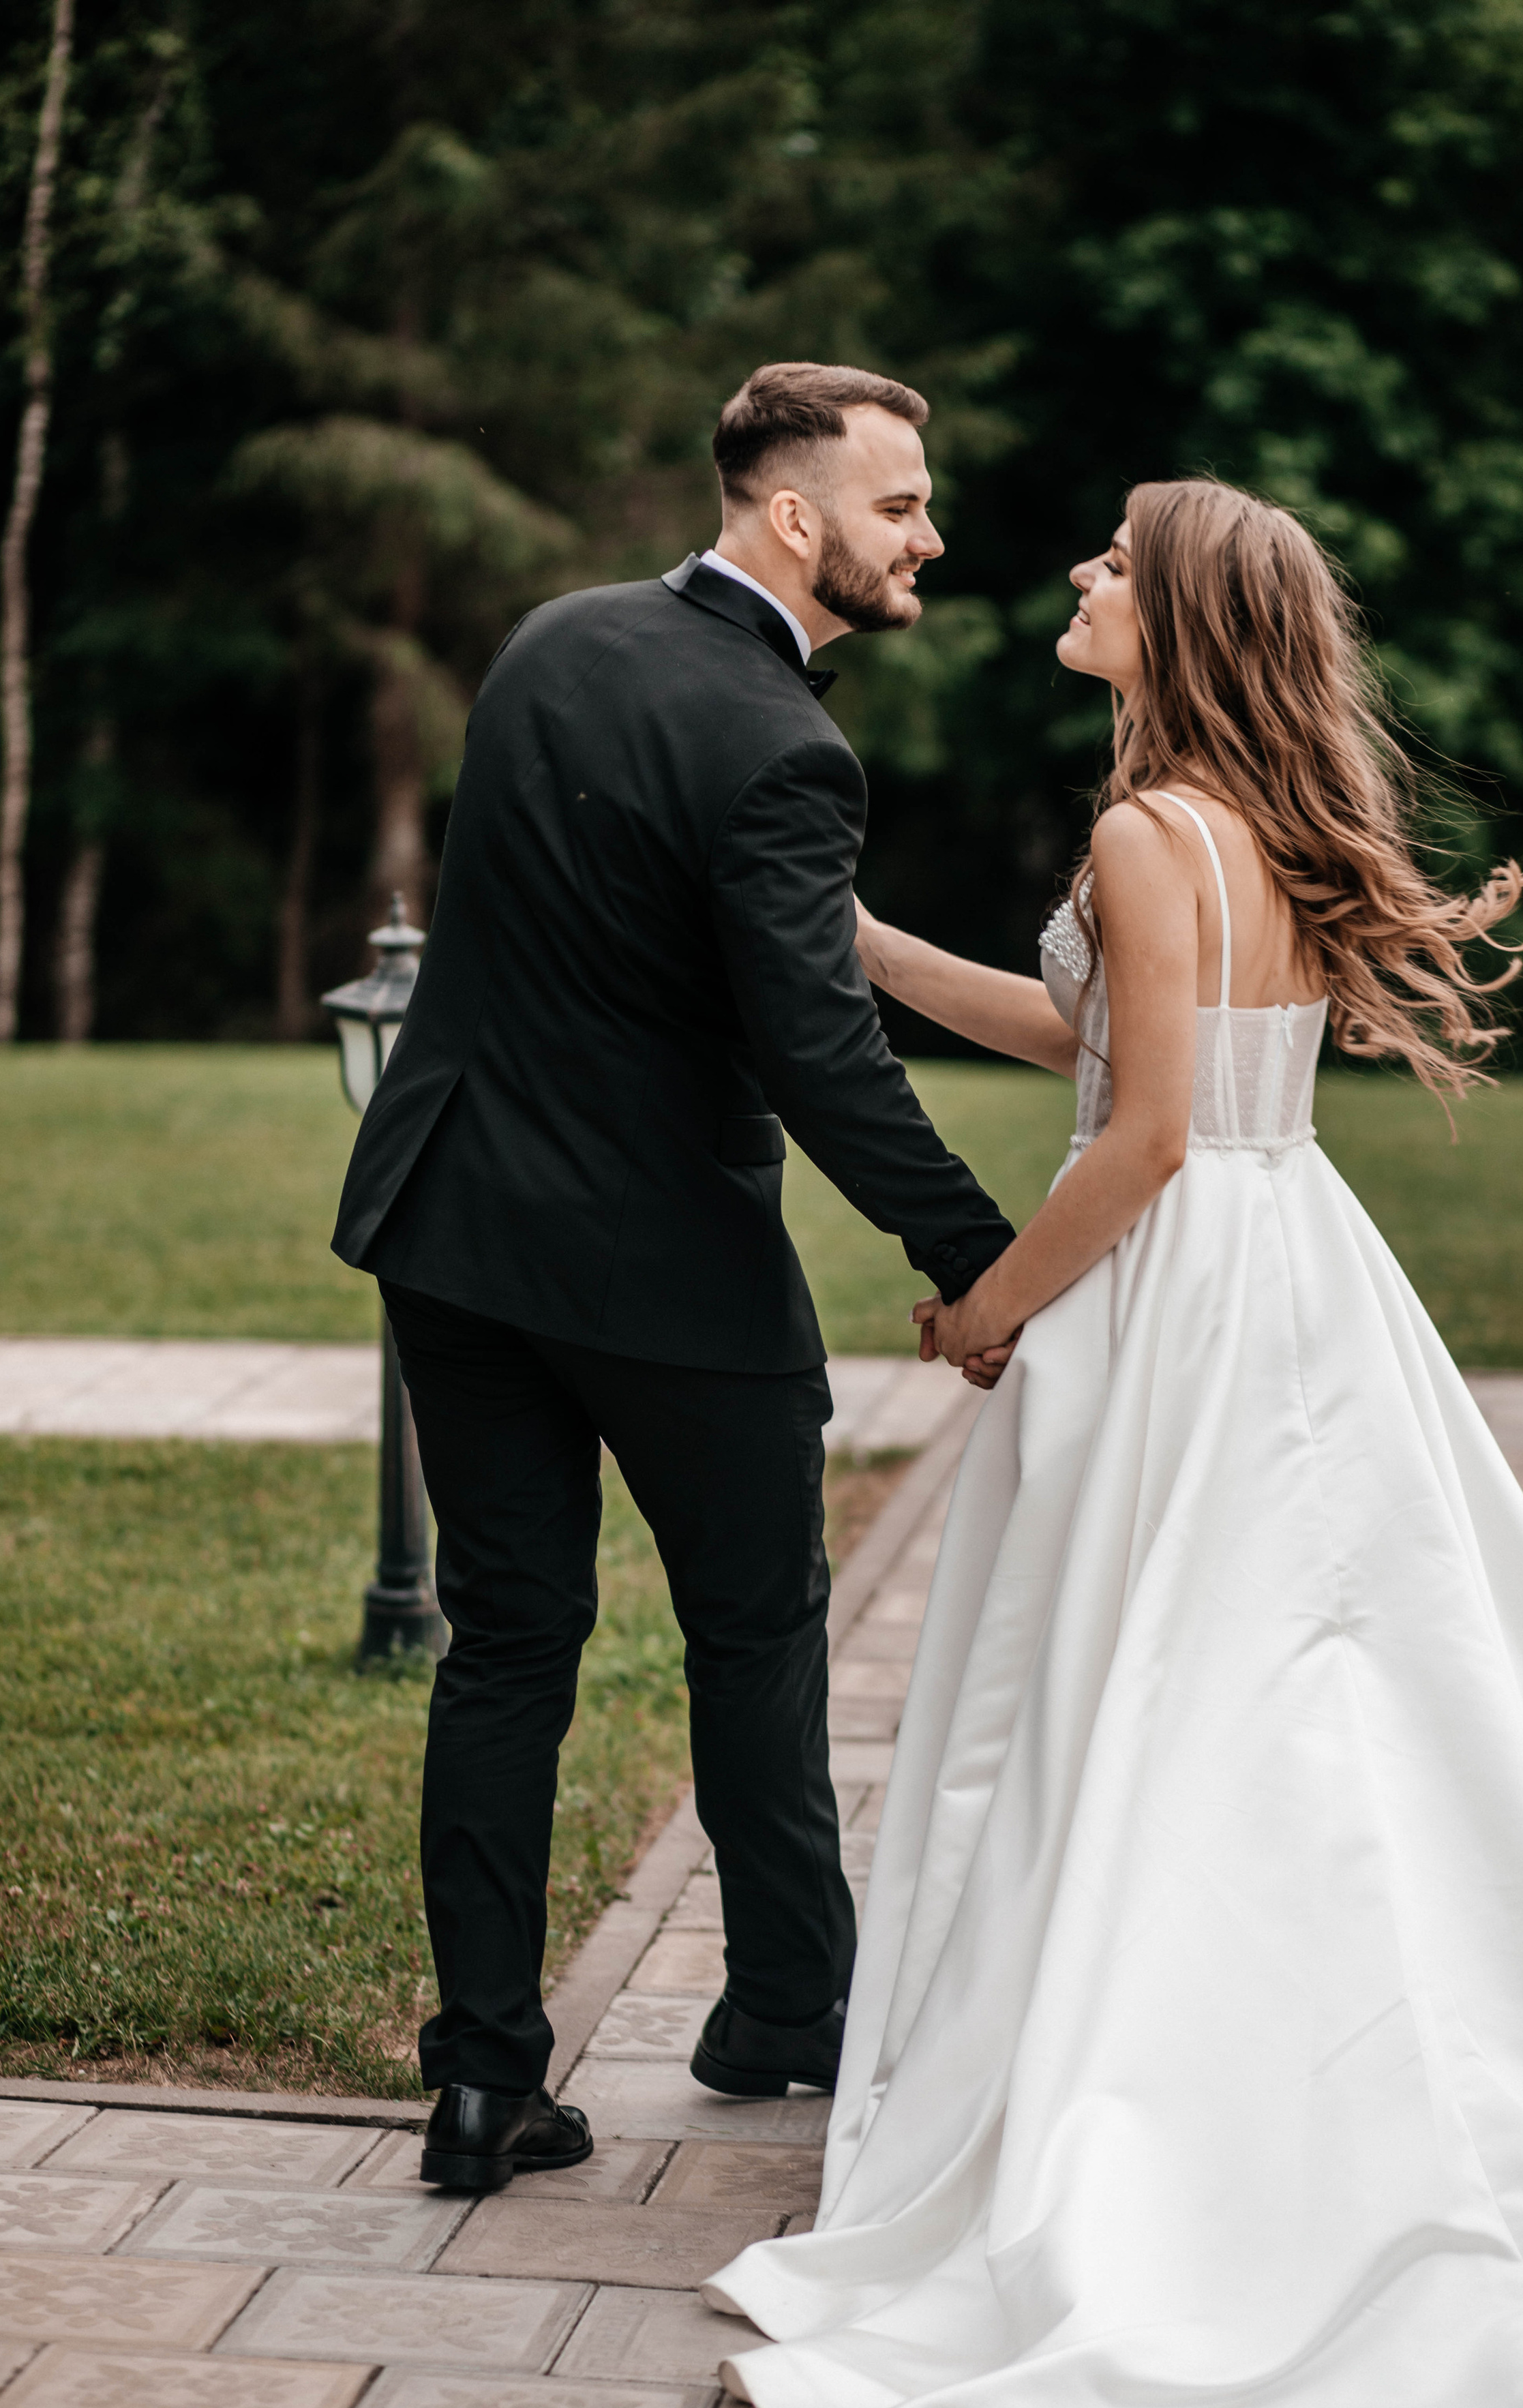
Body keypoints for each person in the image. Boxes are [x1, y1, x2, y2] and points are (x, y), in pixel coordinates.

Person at [706, 478, 1523, 2408]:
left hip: (1172, 1278)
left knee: (1142, 1682)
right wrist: (853, 942)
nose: (1080, 572)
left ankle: (1160, 2109)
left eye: (1118, 563)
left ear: (1188, 618)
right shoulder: (1252, 823)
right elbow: (1080, 1032)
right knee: (1283, 1670)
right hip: (1287, 1256)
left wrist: (988, 1310)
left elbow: (1136, 1137)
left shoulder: (1153, 830)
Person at [331, 363, 1014, 2195]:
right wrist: (980, 1254)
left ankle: (483, 2083)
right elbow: (822, 1052)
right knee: (757, 1632)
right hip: (664, 1269)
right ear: (795, 517)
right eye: (899, 506)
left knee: (507, 1645)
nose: (929, 537)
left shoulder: (552, 639)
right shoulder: (788, 747)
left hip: (453, 1227)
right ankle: (787, 2005)